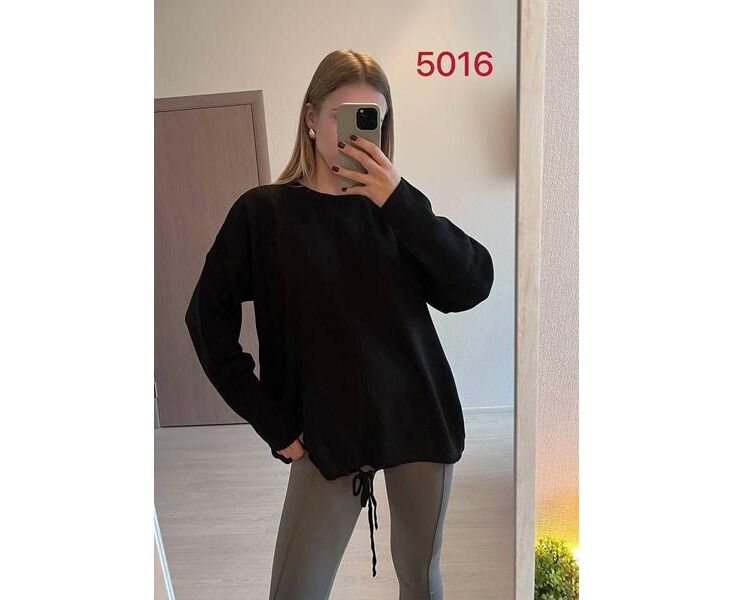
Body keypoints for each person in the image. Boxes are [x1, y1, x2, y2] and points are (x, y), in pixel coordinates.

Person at [185, 49, 494, 599]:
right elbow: (207, 320)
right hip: (323, 434)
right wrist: (273, 423)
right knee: (294, 591)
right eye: (343, 116)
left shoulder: (397, 210)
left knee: (420, 580)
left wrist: (398, 202)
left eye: (370, 119)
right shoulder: (264, 214)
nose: (355, 133)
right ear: (311, 117)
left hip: (418, 420)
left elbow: (471, 284)